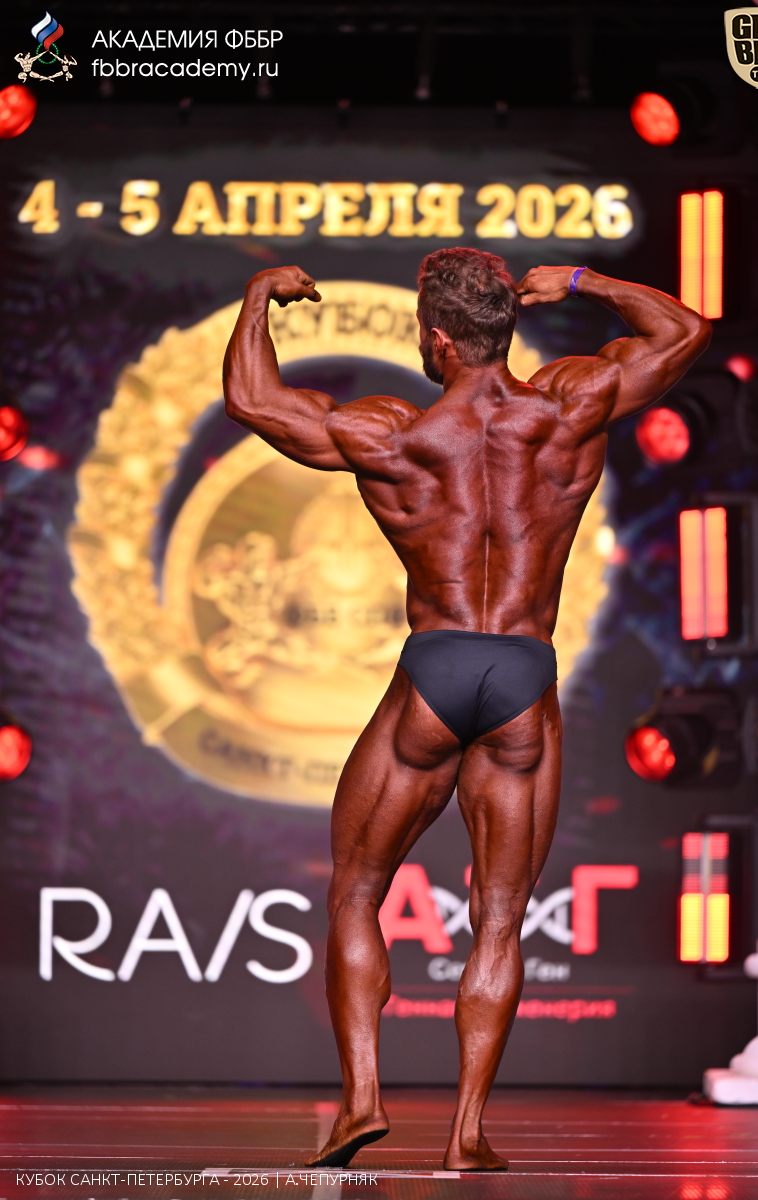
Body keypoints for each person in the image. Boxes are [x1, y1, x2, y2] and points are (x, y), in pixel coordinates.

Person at [223, 250, 710, 1171]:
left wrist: (258, 299)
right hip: (523, 671)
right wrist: (588, 285)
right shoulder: (572, 404)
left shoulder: (393, 434)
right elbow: (685, 333)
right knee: (498, 915)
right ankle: (467, 1133)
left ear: (438, 340)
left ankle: (361, 1102)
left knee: (357, 890)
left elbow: (254, 400)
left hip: (436, 667)